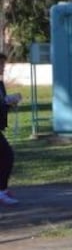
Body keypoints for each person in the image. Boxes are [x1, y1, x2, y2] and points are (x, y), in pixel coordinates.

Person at [0, 54, 21, 206]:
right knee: (7, 156)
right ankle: (1, 191)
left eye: (3, 65)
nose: (3, 68)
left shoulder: (0, 84)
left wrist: (9, 103)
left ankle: (2, 189)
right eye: (1, 65)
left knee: (6, 156)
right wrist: (5, 102)